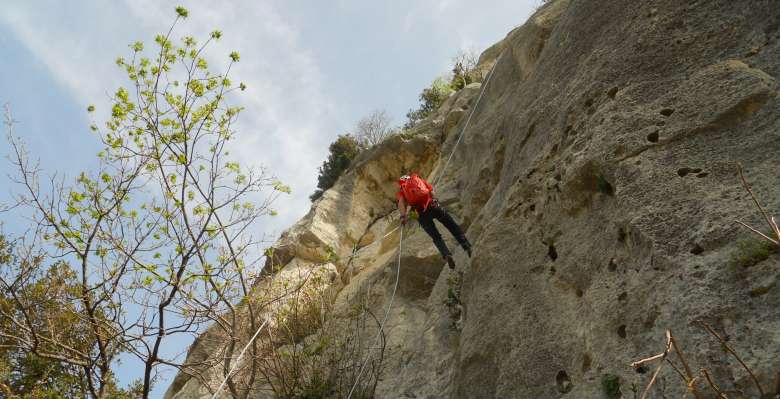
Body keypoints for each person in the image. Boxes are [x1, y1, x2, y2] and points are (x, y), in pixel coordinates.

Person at [397, 173, 472, 269]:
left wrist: (403, 217)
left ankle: (446, 254)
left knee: (436, 237)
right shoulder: (419, 181)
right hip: (433, 207)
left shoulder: (402, 191)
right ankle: (466, 244)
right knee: (451, 225)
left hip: (421, 215)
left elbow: (401, 203)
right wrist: (435, 200)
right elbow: (431, 192)